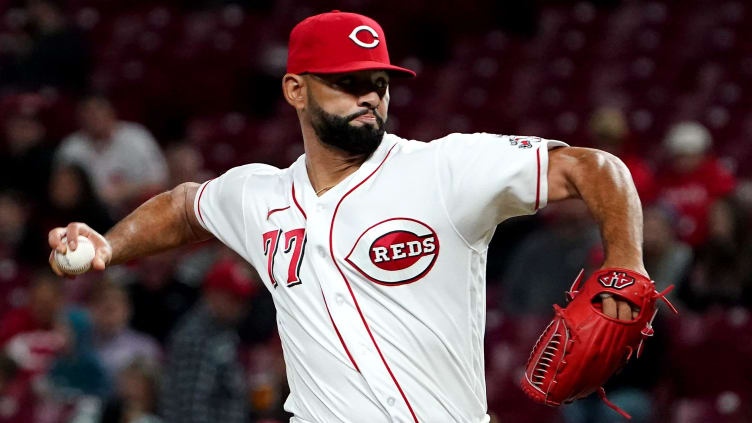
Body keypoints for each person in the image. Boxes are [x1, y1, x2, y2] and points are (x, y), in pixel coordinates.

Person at [49, 11, 648, 422]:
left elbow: (594, 168)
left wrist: (626, 263)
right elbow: (185, 206)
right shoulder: (259, 195)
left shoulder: (445, 170)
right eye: (347, 82)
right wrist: (108, 244)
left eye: (380, 82)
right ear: (295, 90)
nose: (370, 96)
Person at [160, 258, 254, 423]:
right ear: (212, 294)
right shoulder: (195, 336)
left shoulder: (223, 329)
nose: (241, 307)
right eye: (234, 299)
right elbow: (192, 405)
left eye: (243, 300)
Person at [53, 95, 168, 215]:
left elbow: (160, 180)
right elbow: (61, 193)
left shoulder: (136, 137)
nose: (94, 117)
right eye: (88, 113)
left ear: (111, 112)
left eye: (98, 110)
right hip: (88, 215)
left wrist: (125, 191)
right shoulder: (71, 147)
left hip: (138, 210)